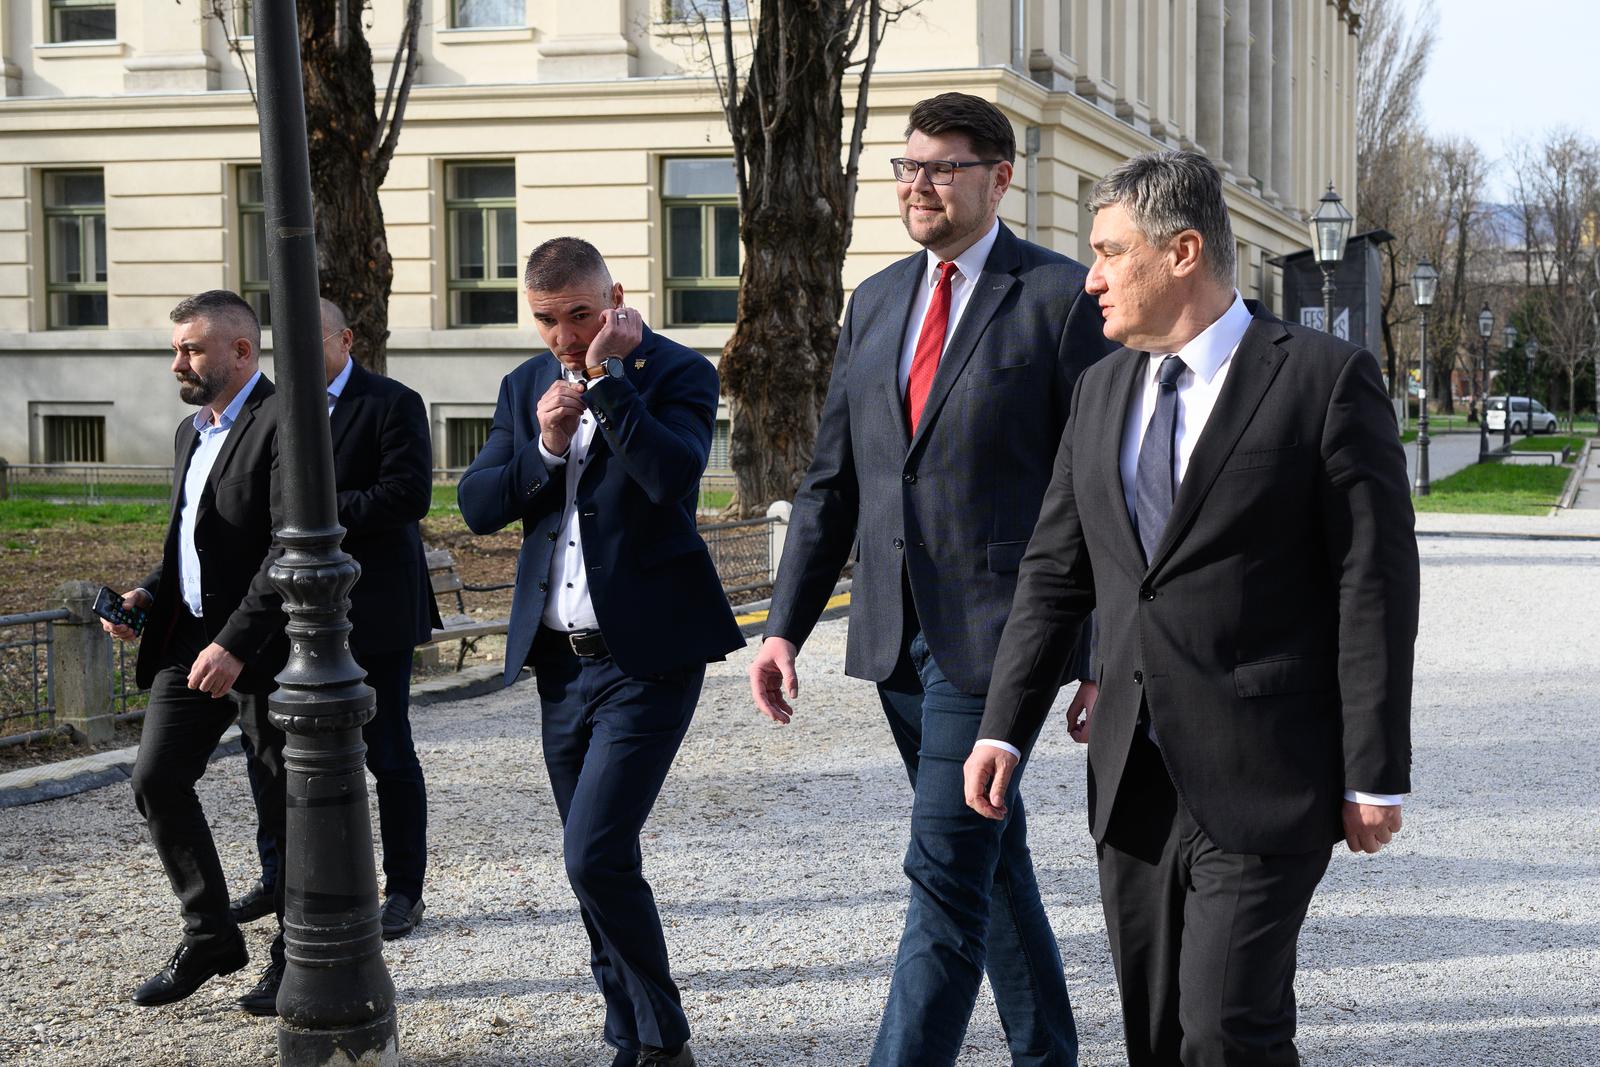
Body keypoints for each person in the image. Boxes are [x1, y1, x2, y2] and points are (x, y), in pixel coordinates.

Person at [963, 151, 1419, 1067]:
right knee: (1159, 1038)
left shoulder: (1323, 380)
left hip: (1267, 771)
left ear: (1181, 251)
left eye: (1107, 252)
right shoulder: (1099, 391)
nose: (1088, 277)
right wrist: (1002, 728)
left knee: (1226, 1031)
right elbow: (1056, 574)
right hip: (1132, 776)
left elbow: (1373, 585)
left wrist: (1375, 769)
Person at [748, 92, 1111, 1067]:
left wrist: (1100, 650)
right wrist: (783, 628)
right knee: (990, 861)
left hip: (1001, 634)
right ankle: (1047, 1051)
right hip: (891, 634)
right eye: (908, 166)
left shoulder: (1060, 298)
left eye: (942, 167)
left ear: (999, 178)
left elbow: (1102, 490)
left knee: (944, 871)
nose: (919, 184)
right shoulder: (873, 301)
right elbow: (833, 478)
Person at [458, 237, 743, 1067]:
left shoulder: (678, 371)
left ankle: (662, 1040)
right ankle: (629, 1030)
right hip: (558, 663)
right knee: (598, 861)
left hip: (648, 655)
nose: (562, 336)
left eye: (579, 315)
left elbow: (672, 474)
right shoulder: (524, 385)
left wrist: (613, 384)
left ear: (613, 297)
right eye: (546, 319)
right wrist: (545, 445)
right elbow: (478, 504)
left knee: (593, 852)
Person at [101, 289, 289, 1016]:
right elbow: (189, 539)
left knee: (283, 807)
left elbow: (286, 549)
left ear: (241, 351)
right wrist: (148, 594)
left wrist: (238, 643)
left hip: (268, 646)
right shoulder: (191, 430)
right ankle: (210, 933)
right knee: (155, 777)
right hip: (189, 639)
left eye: (192, 348)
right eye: (176, 347)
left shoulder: (285, 422)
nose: (178, 361)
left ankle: (292, 958)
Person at [231, 298, 439, 950]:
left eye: (308, 341)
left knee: (388, 752)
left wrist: (316, 510)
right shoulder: (273, 410)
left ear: (345, 338)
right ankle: (282, 877)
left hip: (372, 607)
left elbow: (406, 495)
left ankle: (403, 888)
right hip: (291, 611)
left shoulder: (392, 401)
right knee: (274, 751)